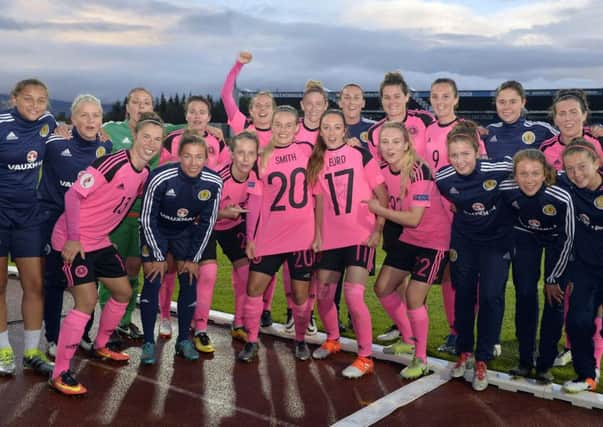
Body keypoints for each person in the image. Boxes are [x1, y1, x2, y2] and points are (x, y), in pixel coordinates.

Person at [48, 112, 164, 395]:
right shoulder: (113, 162)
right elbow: (73, 196)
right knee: (85, 303)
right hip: (72, 241)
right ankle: (60, 372)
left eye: (157, 140)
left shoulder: (145, 173)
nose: (150, 143)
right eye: (146, 136)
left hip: (99, 241)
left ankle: (101, 344)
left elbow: (114, 207)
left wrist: (105, 238)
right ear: (135, 136)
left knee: (123, 293)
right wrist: (74, 239)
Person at [96, 88, 181, 344]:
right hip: (116, 215)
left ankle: (123, 320)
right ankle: (106, 325)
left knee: (132, 267)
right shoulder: (110, 129)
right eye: (136, 101)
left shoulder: (159, 133)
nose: (141, 106)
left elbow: (192, 123)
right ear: (127, 106)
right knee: (112, 268)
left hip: (143, 216)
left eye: (147, 102)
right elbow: (83, 128)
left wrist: (213, 130)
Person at [308, 109, 388, 379]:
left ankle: (365, 357)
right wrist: (318, 234)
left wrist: (378, 228)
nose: (331, 132)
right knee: (324, 295)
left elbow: (381, 194)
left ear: (345, 130)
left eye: (336, 127)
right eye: (326, 127)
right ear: (321, 131)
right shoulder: (317, 160)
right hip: (331, 238)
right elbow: (319, 202)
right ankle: (332, 339)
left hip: (360, 236)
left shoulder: (361, 154)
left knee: (354, 295)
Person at [367, 122, 450, 379]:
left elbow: (414, 218)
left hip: (434, 241)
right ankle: (408, 337)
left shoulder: (418, 171)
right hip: (409, 238)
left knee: (414, 297)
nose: (389, 147)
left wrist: (378, 210)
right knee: (382, 288)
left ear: (406, 144)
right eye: (385, 142)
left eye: (395, 141)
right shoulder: (383, 168)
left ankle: (421, 358)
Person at [436, 121, 514, 392]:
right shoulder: (443, 178)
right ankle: (464, 352)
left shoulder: (500, 167)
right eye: (454, 155)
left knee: (491, 296)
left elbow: (531, 170)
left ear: (477, 151)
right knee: (464, 295)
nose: (460, 160)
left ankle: (483, 358)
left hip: (496, 242)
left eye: (465, 154)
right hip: (464, 242)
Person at [238, 106, 315, 363]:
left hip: (302, 235)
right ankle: (251, 340)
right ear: (271, 126)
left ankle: (301, 340)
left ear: (297, 127)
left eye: (288, 124)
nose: (282, 129)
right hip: (270, 235)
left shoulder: (308, 152)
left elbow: (320, 193)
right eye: (278, 124)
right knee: (254, 288)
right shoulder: (262, 158)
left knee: (300, 294)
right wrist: (251, 237)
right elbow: (255, 203)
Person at [139, 129, 222, 364]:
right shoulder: (159, 177)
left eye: (198, 157)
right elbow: (147, 219)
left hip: (185, 232)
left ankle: (184, 340)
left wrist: (193, 258)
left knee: (190, 278)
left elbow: (207, 223)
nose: (193, 162)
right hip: (157, 230)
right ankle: (148, 342)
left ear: (206, 158)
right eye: (187, 156)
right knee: (153, 277)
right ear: (178, 156)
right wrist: (156, 254)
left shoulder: (214, 182)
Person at [40, 94, 112, 358]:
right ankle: (52, 337)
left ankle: (82, 333)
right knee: (54, 280)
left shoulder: (107, 146)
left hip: (85, 223)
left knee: (87, 278)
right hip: (52, 217)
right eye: (84, 115)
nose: (91, 120)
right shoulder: (55, 141)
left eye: (96, 115)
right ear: (72, 119)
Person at [157, 95, 230, 341]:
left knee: (206, 273)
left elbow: (225, 173)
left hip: (202, 220)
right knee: (168, 270)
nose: (197, 116)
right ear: (186, 115)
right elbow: (160, 174)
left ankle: (199, 327)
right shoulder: (172, 139)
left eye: (202, 112)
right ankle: (165, 316)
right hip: (171, 219)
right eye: (193, 112)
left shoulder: (218, 142)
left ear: (209, 117)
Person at [498, 149, 574, 382]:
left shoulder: (561, 197)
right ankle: (524, 360)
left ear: (545, 174)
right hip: (526, 237)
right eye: (523, 174)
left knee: (554, 299)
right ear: (515, 175)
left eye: (535, 173)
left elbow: (569, 239)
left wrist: (553, 278)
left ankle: (545, 364)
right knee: (525, 295)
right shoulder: (507, 189)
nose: (529, 179)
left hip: (557, 241)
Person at [540, 89, 603, 368]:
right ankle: (565, 346)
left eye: (573, 112)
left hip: (594, 237)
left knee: (590, 302)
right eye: (561, 113)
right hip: (562, 238)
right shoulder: (545, 149)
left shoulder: (599, 143)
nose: (567, 118)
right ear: (554, 117)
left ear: (584, 115)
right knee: (560, 294)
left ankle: (591, 358)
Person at [423, 78, 486, 355]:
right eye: (435, 96)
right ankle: (455, 331)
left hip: (464, 213)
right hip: (437, 213)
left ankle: (483, 333)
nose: (440, 101)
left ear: (456, 99)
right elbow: (424, 174)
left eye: (446, 96)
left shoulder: (467, 130)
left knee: (472, 276)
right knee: (449, 273)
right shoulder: (426, 130)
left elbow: (480, 170)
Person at [0, 78, 57, 376]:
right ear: (14, 99)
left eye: (41, 99)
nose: (35, 105)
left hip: (29, 217)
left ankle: (32, 352)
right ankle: (2, 349)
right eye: (28, 99)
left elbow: (66, 135)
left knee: (34, 284)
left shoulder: (47, 122)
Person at [557, 139, 603, 393]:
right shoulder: (567, 186)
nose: (577, 173)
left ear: (597, 163)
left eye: (582, 166)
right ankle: (587, 375)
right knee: (577, 322)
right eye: (571, 169)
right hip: (585, 268)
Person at [214, 131, 259, 341]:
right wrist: (222, 213)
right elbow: (198, 212)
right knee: (203, 275)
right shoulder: (217, 178)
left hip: (234, 228)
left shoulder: (255, 179)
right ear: (231, 153)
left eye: (251, 153)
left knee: (245, 273)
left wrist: (251, 240)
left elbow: (254, 209)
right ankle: (197, 325)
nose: (245, 158)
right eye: (240, 153)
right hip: (207, 227)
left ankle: (239, 322)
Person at [367, 71, 435, 162]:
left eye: (397, 96)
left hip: (424, 176)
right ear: (381, 100)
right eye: (387, 97)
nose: (392, 102)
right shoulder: (374, 131)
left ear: (406, 97)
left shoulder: (424, 120)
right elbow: (376, 169)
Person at [483, 80, 558, 161]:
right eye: (502, 102)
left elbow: (569, 144)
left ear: (523, 103)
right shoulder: (489, 131)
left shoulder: (542, 129)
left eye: (513, 102)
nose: (507, 107)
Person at [220, 51, 275, 149]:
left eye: (267, 105)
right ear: (251, 111)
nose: (262, 109)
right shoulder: (242, 125)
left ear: (273, 110)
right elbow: (226, 95)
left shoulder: (281, 131)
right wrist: (238, 65)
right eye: (258, 105)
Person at [338, 83, 375, 150]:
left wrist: (361, 150)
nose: (351, 102)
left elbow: (382, 158)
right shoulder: (329, 129)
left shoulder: (374, 128)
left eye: (356, 98)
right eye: (347, 98)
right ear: (340, 102)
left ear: (363, 103)